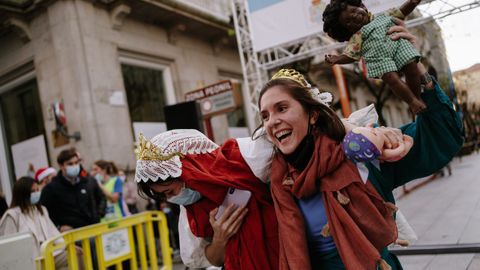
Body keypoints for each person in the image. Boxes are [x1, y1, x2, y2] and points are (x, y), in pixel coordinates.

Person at [256, 68, 463, 269]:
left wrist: (415, 68)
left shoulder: (360, 152)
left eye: (282, 108)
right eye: (265, 116)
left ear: (312, 115)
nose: (272, 121)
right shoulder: (273, 180)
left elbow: (440, 136)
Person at [135, 130, 279, 270]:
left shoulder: (243, 157)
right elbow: (211, 260)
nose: (170, 199)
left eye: (170, 191)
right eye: (164, 196)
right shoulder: (190, 212)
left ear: (190, 168)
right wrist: (220, 239)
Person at [323, 0, 427, 114]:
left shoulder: (384, 16)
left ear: (362, 7)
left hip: (398, 47)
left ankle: (417, 98)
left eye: (353, 11)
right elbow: (350, 55)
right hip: (379, 59)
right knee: (392, 79)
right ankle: (412, 102)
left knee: (412, 67)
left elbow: (402, 11)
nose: (354, 17)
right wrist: (337, 59)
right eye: (348, 21)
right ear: (346, 30)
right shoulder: (357, 37)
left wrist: (412, 3)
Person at [0, 177, 84, 269]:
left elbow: (53, 233)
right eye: (33, 191)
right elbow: (8, 247)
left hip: (50, 254)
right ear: (23, 194)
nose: (36, 193)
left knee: (77, 255)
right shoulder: (12, 215)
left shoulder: (41, 210)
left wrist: (68, 247)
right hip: (30, 260)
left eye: (37, 190)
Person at [40, 148, 103, 231]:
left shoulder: (87, 182)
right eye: (70, 164)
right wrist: (58, 227)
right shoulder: (51, 189)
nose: (74, 166)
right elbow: (43, 213)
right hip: (71, 236)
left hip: (93, 229)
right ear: (61, 165)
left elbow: (101, 199)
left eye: (76, 163)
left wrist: (98, 215)